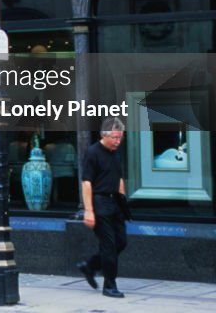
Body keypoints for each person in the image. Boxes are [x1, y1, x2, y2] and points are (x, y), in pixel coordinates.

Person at [77, 117, 128, 298]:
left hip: (116, 203)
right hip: (100, 203)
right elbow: (87, 183)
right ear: (103, 135)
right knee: (108, 245)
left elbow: (118, 177)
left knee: (121, 242)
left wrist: (123, 201)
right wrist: (88, 210)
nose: (117, 141)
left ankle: (90, 266)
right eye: (114, 137)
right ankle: (110, 285)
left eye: (120, 137)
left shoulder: (116, 152)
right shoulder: (93, 152)